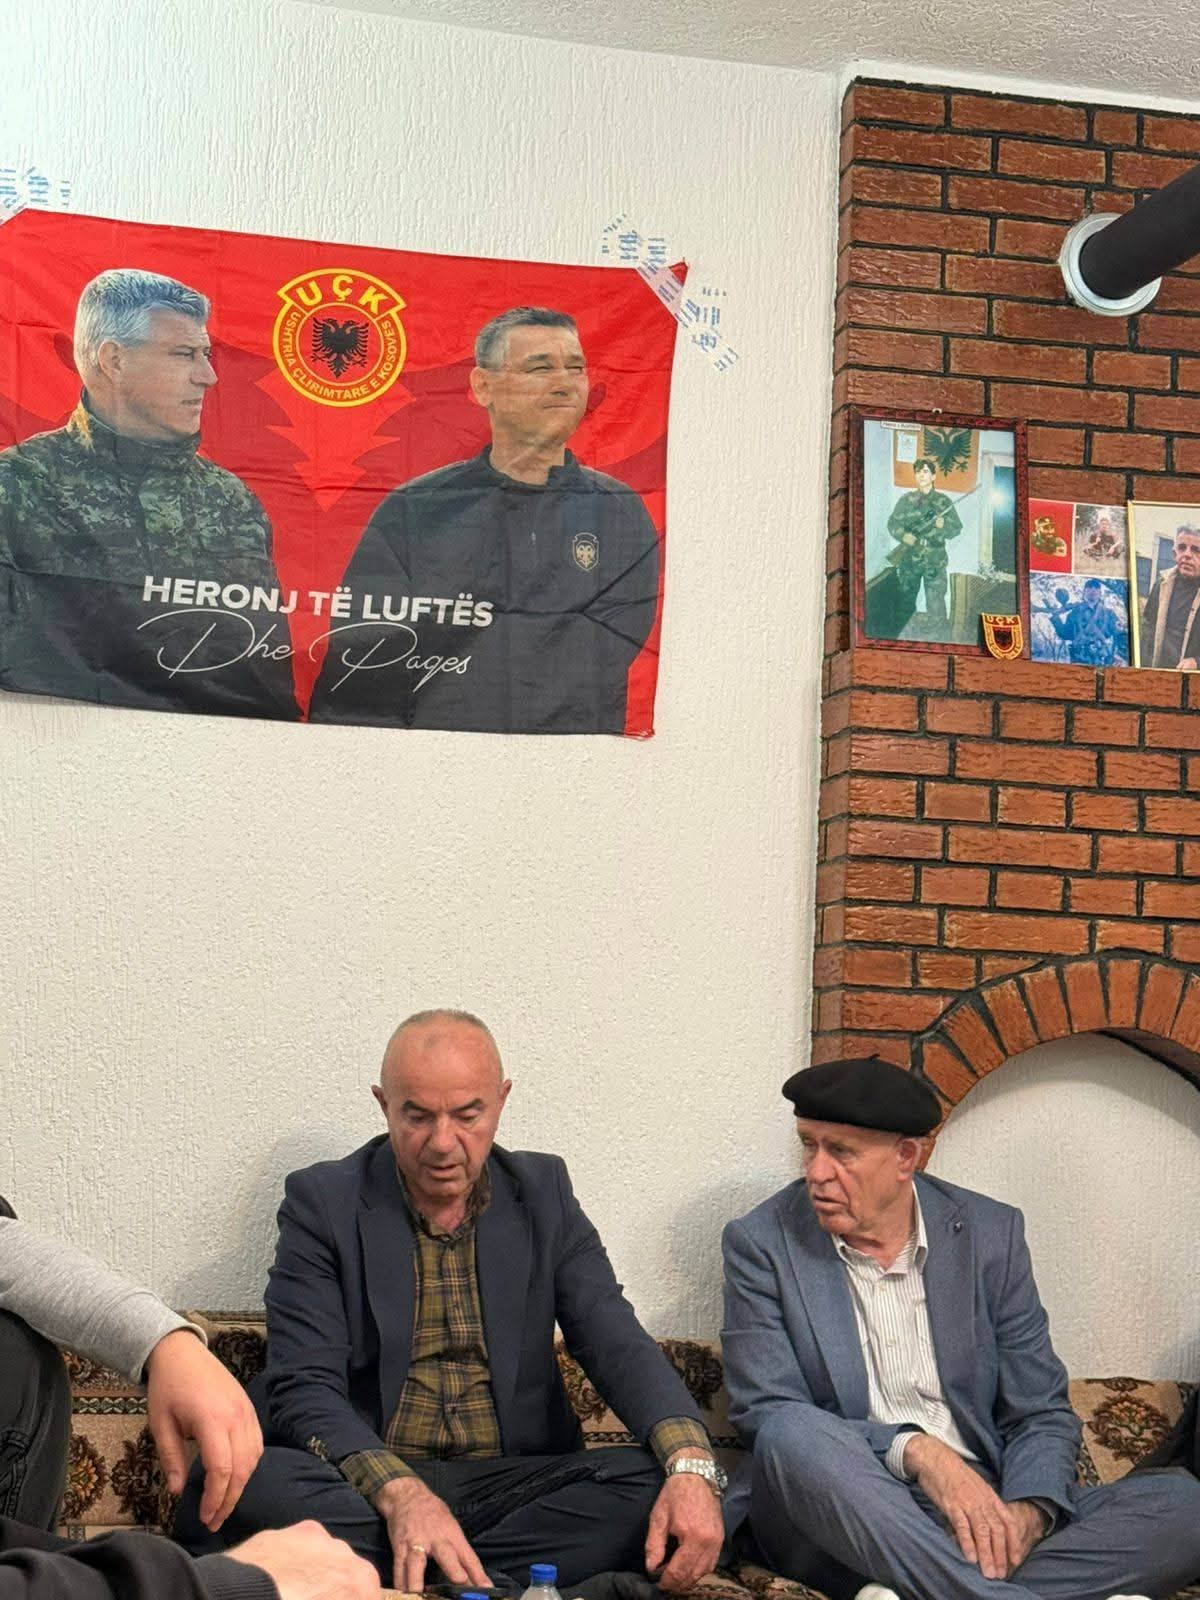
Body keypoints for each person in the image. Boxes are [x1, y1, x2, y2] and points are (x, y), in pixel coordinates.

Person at [178, 1010, 725, 1593]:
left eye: (468, 1115)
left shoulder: (544, 1195)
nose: (443, 1143)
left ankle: (410, 1570)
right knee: (251, 1486)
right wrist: (401, 1494)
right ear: (384, 1105)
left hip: (510, 1483)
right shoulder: (323, 1202)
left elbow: (617, 1343)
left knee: (652, 1485)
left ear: (501, 1101)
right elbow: (304, 1387)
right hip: (365, 1479)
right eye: (417, 1116)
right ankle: (504, 1581)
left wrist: (690, 1465)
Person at [720, 1056, 1200, 1600]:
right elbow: (767, 1412)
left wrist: (1027, 1513)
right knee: (792, 1432)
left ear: (907, 1156)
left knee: (1184, 1506)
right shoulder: (762, 1243)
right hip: (850, 1504)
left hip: (977, 1505)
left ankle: (928, 1587)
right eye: (809, 1145)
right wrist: (919, 1452)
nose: (817, 1172)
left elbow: (1039, 1410)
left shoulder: (990, 1235)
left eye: (842, 1152)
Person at [0, 1195, 379, 1600]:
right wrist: (224, 1586)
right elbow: (306, 1385)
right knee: (263, 1489)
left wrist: (165, 1342)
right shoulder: (324, 1201)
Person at [308, 308, 661, 733]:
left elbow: (612, 648)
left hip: (568, 760)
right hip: (433, 755)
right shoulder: (418, 508)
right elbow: (362, 656)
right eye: (540, 368)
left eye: (576, 368)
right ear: (483, 386)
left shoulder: (618, 511)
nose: (565, 383)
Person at [0, 268, 298, 718]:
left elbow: (267, 682)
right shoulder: (17, 486)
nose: (209, 377)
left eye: (205, 354)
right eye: (183, 354)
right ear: (114, 360)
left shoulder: (231, 501)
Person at [885, 457, 963, 633]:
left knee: (936, 602)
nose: (921, 475)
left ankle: (937, 637)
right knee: (905, 598)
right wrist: (904, 536)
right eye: (918, 472)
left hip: (935, 559)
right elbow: (893, 524)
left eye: (926, 471)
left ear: (933, 476)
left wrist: (944, 525)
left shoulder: (944, 502)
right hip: (910, 557)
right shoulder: (906, 500)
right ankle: (902, 633)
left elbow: (956, 529)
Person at [1141, 523, 1200, 670]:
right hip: (1159, 673)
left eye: (1195, 550)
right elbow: (1147, 626)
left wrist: (1197, 662)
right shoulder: (1162, 584)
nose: (1187, 554)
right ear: (1175, 553)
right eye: (1182, 548)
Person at [1047, 579, 1119, 666]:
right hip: (1079, 657)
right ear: (1084, 592)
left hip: (1102, 658)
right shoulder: (1074, 613)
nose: (1093, 590)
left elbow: (1120, 635)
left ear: (1100, 593)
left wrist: (1117, 655)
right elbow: (1065, 634)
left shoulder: (1109, 614)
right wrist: (1056, 618)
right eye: (1089, 587)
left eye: (1096, 588)